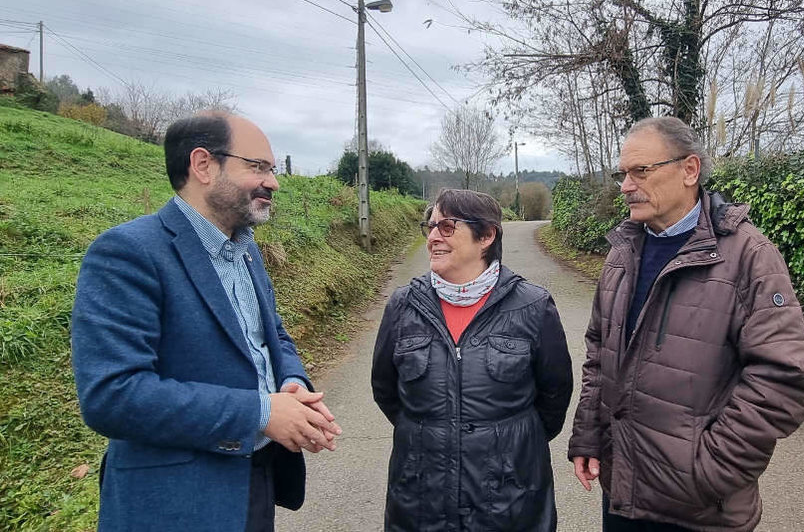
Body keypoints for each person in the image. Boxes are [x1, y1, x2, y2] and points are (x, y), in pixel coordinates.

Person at [71, 111, 342, 532]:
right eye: (257, 167)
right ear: (203, 165)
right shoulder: (128, 253)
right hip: (176, 504)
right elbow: (112, 395)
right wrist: (260, 412)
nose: (273, 181)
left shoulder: (246, 251)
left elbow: (272, 336)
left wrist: (291, 382)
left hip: (255, 483)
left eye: (271, 169)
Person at [568, 117, 804, 532]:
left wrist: (709, 471)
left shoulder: (748, 256)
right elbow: (600, 353)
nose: (627, 185)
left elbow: (784, 378)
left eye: (640, 171)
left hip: (699, 510)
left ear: (689, 170)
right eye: (622, 174)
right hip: (623, 495)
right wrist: (589, 435)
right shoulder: (623, 251)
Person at [371, 188, 574, 531]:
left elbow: (554, 395)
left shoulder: (533, 305)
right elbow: (386, 390)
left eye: (447, 227)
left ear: (486, 235)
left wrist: (508, 446)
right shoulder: (403, 306)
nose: (434, 236)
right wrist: (433, 433)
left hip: (510, 500)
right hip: (422, 499)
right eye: (430, 226)